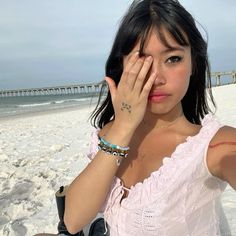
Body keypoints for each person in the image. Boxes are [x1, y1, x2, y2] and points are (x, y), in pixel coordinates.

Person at [64, 0, 236, 235]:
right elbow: (73, 220)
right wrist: (123, 127)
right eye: (142, 61)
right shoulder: (109, 134)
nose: (156, 78)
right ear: (123, 66)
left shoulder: (213, 145)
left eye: (173, 58)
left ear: (194, 62)